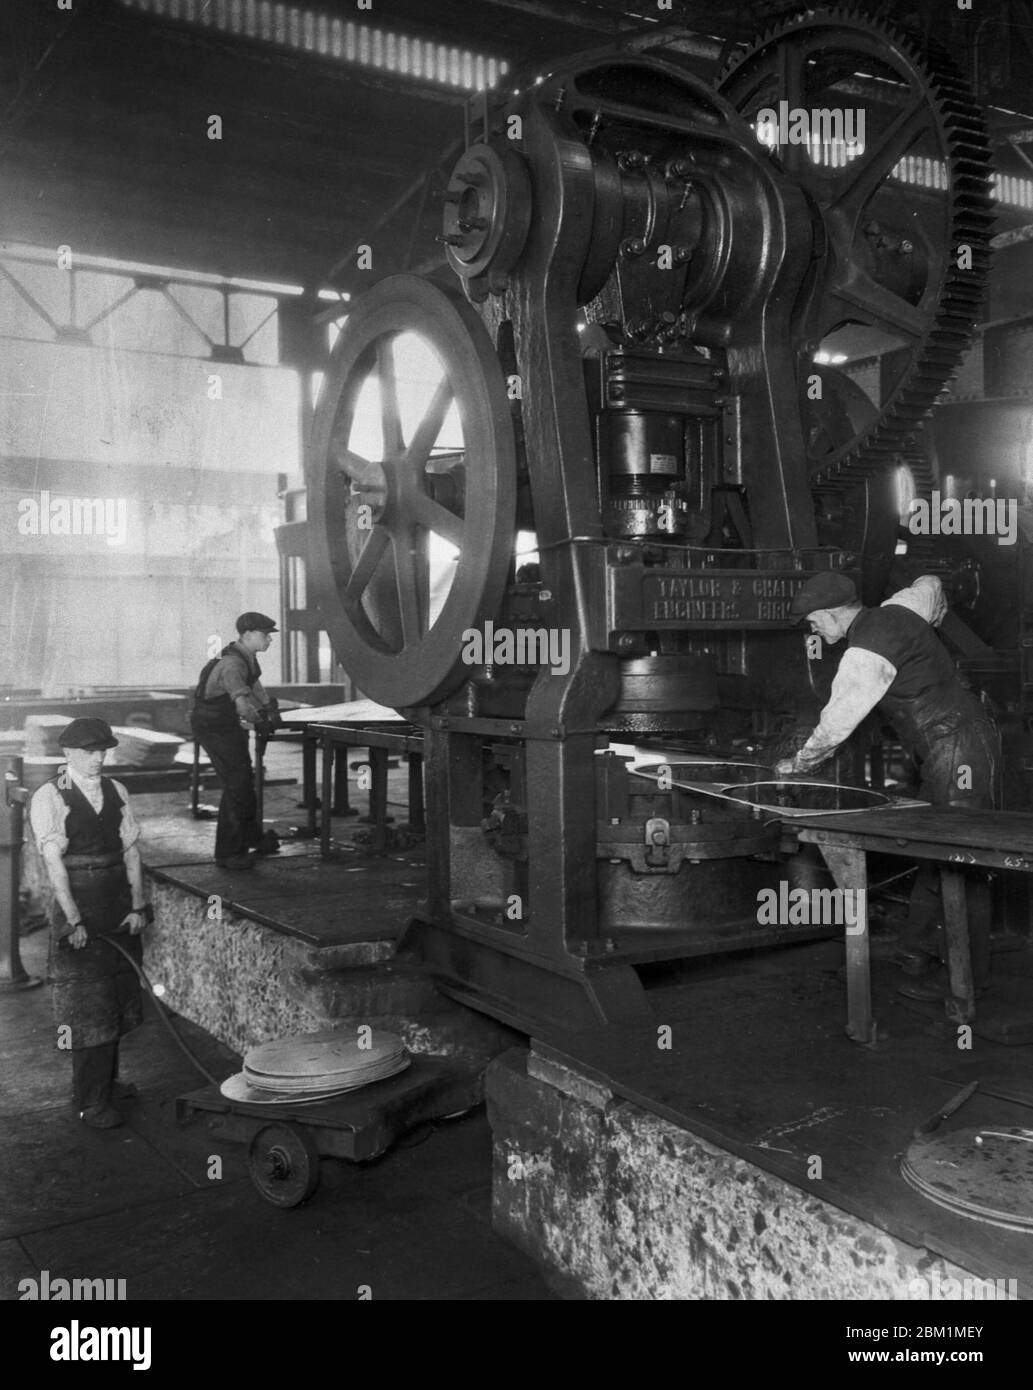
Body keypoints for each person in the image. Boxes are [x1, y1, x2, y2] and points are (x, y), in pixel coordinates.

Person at [774, 572, 1000, 999]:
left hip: (954, 747)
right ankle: (917, 952)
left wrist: (799, 763)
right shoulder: (900, 609)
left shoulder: (865, 652)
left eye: (813, 623)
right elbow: (930, 584)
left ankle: (968, 979)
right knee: (935, 854)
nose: (814, 631)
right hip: (956, 741)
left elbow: (838, 721)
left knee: (962, 858)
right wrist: (934, 623)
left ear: (828, 613)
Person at [29, 719, 151, 1130]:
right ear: (68, 754)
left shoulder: (117, 791)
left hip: (117, 905)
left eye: (103, 750)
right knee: (88, 1008)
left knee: (116, 996)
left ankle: (109, 1084)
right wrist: (73, 920)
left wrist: (138, 906)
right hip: (79, 906)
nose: (98, 758)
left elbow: (131, 852)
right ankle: (90, 1101)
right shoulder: (50, 797)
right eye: (88, 751)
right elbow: (54, 867)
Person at [190, 612, 282, 870]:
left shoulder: (244, 656)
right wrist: (262, 719)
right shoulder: (232, 663)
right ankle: (229, 853)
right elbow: (242, 706)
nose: (269, 641)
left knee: (244, 780)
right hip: (214, 725)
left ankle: (253, 838)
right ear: (249, 635)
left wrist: (267, 705)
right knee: (237, 785)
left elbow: (253, 686)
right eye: (266, 636)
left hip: (224, 723)